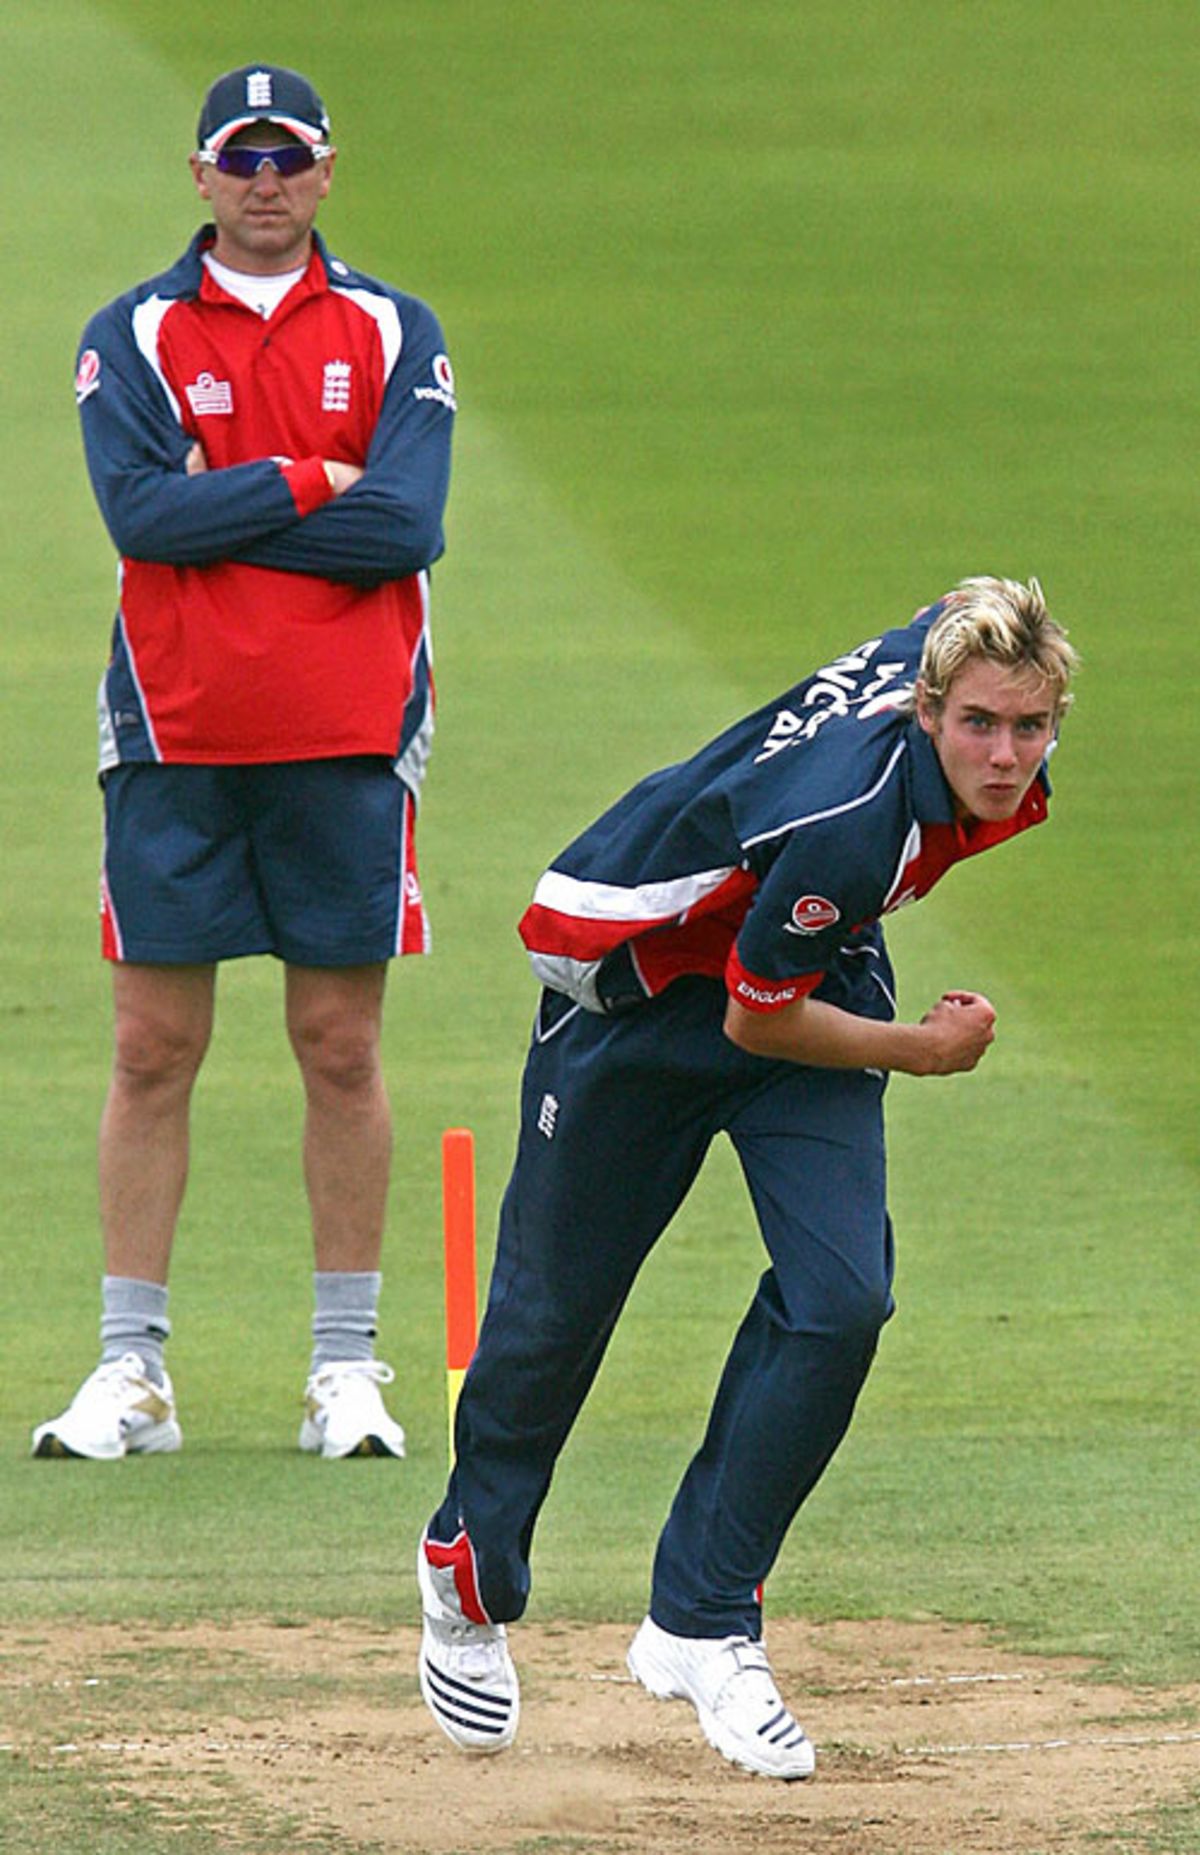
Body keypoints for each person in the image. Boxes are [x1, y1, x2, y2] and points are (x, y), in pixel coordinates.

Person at [415, 577, 1077, 1778]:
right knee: (554, 1317)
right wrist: (922, 1051)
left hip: (800, 956)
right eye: (980, 723)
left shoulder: (940, 692)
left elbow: (959, 610)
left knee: (842, 1297)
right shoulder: (850, 819)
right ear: (927, 711)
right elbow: (753, 1025)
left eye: (1031, 727)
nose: (1007, 752)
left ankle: (703, 1619)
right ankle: (467, 1572)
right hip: (631, 995)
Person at [33, 64, 456, 1462]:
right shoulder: (136, 333)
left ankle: (345, 1368)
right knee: (154, 1044)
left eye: (288, 158)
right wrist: (305, 480)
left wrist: (235, 509)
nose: (265, 181)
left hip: (346, 732)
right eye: (241, 158)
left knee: (339, 1044)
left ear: (326, 169)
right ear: (201, 175)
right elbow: (140, 515)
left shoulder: (395, 328)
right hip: (175, 726)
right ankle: (131, 1370)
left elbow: (404, 527)